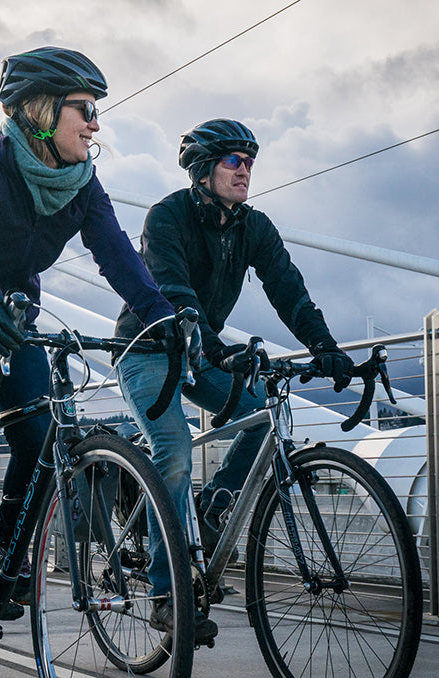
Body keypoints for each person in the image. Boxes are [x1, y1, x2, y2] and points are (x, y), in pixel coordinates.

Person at [0, 47, 176, 635]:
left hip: (13, 325)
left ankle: (4, 556)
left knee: (43, 433)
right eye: (85, 109)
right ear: (41, 112)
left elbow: (120, 258)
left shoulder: (81, 184)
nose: (96, 123)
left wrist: (162, 316)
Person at [114, 118, 353, 643]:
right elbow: (173, 287)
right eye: (232, 161)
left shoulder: (254, 227)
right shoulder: (167, 216)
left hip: (204, 355)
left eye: (249, 162)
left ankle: (213, 507)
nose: (245, 171)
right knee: (173, 452)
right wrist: (208, 339)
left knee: (262, 417)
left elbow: (289, 290)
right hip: (150, 349)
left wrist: (326, 347)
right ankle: (165, 593)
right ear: (203, 170)